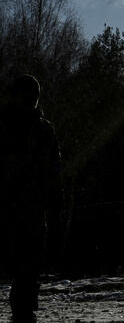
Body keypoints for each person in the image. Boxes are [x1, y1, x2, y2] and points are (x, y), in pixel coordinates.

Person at [0, 74, 62, 323]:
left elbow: (54, 173)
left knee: (29, 268)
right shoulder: (4, 127)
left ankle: (24, 314)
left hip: (32, 209)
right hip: (8, 206)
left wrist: (56, 207)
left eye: (34, 94)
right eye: (26, 94)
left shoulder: (44, 130)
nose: (31, 99)